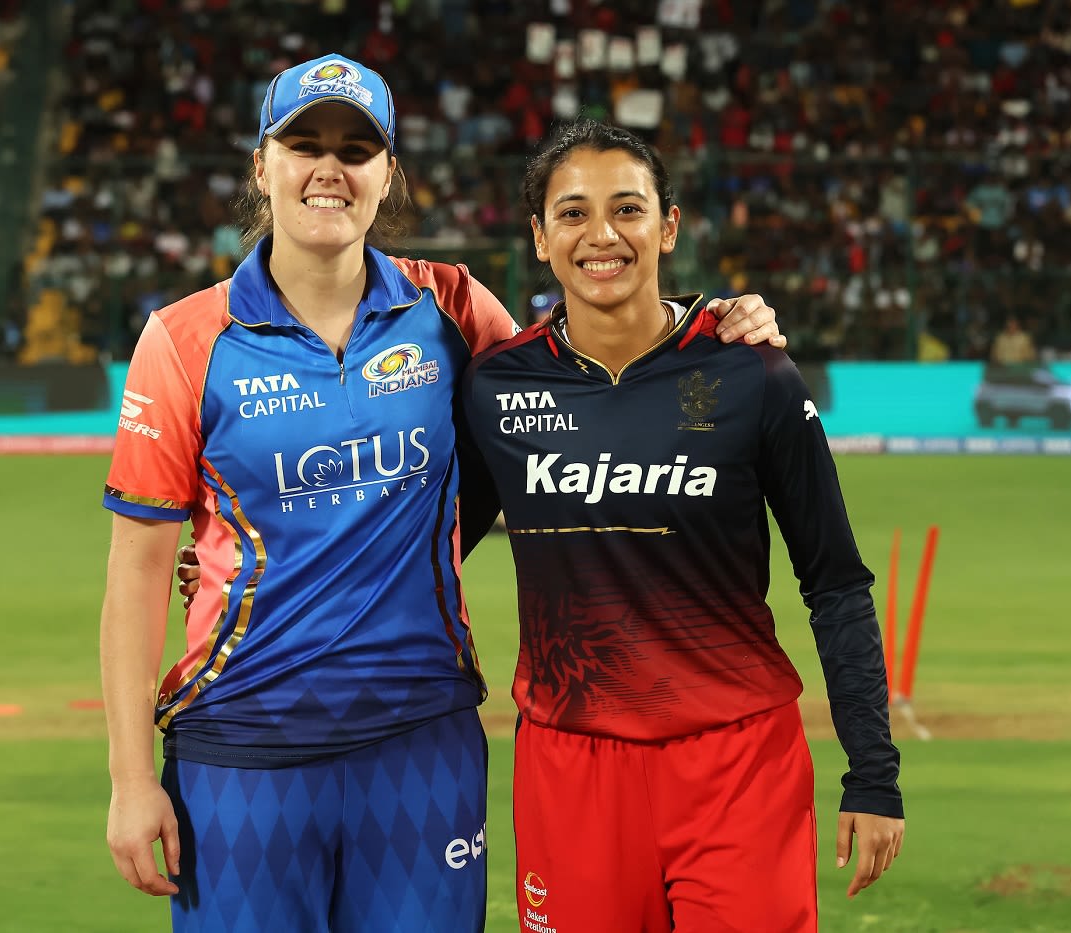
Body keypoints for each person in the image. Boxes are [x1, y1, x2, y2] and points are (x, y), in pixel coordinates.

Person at [100, 54, 788, 933]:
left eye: (357, 149)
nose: (329, 169)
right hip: (241, 751)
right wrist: (129, 779)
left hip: (423, 745)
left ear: (388, 174)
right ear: (261, 166)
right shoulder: (185, 339)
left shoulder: (453, 307)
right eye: (303, 143)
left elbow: (590, 367)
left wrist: (711, 320)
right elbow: (136, 576)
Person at [459, 120, 904, 932]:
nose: (602, 236)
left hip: (736, 759)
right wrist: (249, 561)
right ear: (539, 237)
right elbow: (416, 546)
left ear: (667, 225)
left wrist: (873, 773)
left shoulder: (752, 370)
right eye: (572, 213)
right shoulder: (495, 385)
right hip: (571, 760)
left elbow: (835, 579)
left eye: (628, 209)